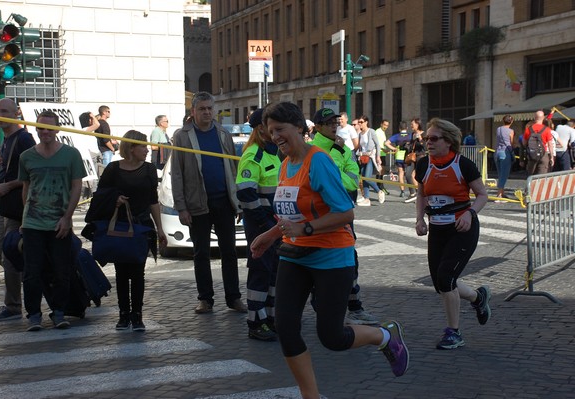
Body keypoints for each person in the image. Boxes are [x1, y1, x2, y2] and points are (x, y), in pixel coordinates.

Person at [251, 102, 409, 398]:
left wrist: (306, 230)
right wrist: (271, 235)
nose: (275, 137)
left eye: (280, 130)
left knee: (332, 337)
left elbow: (345, 213)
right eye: (270, 132)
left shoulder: (318, 161)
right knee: (286, 328)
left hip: (331, 257)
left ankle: (385, 336)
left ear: (300, 128)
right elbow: (293, 216)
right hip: (295, 255)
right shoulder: (286, 164)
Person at [414, 118, 491, 350]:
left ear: (448, 141)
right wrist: (419, 219)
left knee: (446, 277)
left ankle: (453, 332)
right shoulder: (423, 165)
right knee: (441, 283)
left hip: (462, 229)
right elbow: (421, 194)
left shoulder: (463, 164)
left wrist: (470, 214)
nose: (428, 142)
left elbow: (482, 195)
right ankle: (478, 298)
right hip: (437, 228)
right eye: (426, 138)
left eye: (434, 138)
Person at [170, 91, 246, 314]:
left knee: (229, 252)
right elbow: (177, 174)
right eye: (202, 108)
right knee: (201, 253)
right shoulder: (182, 136)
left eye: (209, 108)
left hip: (224, 202)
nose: (206, 112)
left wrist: (237, 201)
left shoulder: (223, 133)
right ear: (193, 111)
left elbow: (233, 170)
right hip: (197, 204)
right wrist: (181, 206)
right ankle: (205, 299)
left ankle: (234, 298)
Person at [19, 110, 87, 331]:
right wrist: (25, 218)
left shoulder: (71, 154)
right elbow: (26, 188)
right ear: (36, 129)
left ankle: (59, 312)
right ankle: (34, 315)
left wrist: (67, 218)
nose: (45, 132)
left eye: (49, 127)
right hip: (33, 223)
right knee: (32, 272)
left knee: (61, 270)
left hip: (60, 222)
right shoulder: (27, 156)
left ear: (57, 129)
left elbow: (77, 186)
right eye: (41, 128)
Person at [311, 109, 379, 325]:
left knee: (350, 260)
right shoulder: (317, 150)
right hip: (326, 214)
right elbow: (341, 180)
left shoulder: (339, 147)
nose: (334, 125)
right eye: (328, 123)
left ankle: (353, 306)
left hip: (341, 213)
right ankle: (326, 304)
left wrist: (339, 162)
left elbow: (352, 178)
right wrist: (340, 167)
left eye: (335, 122)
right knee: (324, 260)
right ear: (318, 127)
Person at [96, 130, 167, 331]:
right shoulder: (113, 169)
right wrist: (114, 200)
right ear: (132, 148)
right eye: (143, 146)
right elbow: (100, 196)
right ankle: (123, 314)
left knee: (138, 271)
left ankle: (137, 315)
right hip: (119, 225)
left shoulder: (149, 169)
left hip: (142, 225)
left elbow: (153, 200)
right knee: (121, 271)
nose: (147, 150)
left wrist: (160, 228)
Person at [0, 98, 36, 322]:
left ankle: (14, 306)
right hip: (5, 206)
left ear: (15, 113)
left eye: (3, 111)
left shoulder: (24, 138)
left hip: (18, 206)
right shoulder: (5, 139)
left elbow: (32, 173)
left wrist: (10, 184)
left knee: (8, 254)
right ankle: (35, 274)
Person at [236, 108, 281, 341]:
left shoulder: (275, 153)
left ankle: (271, 318)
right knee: (260, 272)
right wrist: (264, 221)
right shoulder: (254, 154)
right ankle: (255, 322)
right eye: (269, 123)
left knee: (274, 272)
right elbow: (245, 193)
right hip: (261, 225)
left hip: (276, 225)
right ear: (260, 128)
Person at [356, 115, 384, 206]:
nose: (359, 124)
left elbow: (378, 144)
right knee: (364, 179)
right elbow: (360, 147)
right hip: (363, 158)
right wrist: (359, 155)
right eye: (359, 122)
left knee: (367, 177)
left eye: (361, 122)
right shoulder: (360, 134)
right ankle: (367, 199)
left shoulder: (371, 131)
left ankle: (379, 191)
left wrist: (378, 157)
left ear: (366, 122)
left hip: (370, 157)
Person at [523, 110, 555, 175]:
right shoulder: (547, 129)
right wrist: (551, 157)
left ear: (535, 117)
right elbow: (550, 145)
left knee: (531, 176)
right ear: (543, 118)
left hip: (532, 154)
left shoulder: (528, 129)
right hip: (543, 154)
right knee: (542, 177)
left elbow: (524, 143)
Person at [385, 121, 412, 197]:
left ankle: (402, 191)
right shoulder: (410, 136)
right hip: (408, 157)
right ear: (406, 128)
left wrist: (394, 148)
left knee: (401, 173)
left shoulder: (397, 136)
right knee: (410, 174)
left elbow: (386, 143)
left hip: (399, 156)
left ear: (399, 129)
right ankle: (413, 191)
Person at [404, 118, 426, 203]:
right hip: (413, 157)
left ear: (417, 124)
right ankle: (413, 193)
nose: (411, 126)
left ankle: (420, 194)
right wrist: (408, 145)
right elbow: (412, 146)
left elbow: (425, 147)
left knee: (418, 176)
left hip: (421, 157)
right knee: (408, 174)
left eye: (412, 124)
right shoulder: (413, 134)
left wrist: (420, 138)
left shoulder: (424, 133)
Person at [494, 115, 515, 200]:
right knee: (504, 174)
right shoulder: (511, 131)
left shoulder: (498, 129)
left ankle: (502, 192)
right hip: (505, 153)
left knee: (500, 174)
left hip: (497, 152)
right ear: (511, 121)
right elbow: (511, 143)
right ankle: (499, 194)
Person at [374, 119, 390, 194]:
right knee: (380, 170)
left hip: (383, 153)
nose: (385, 127)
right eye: (384, 125)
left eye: (387, 125)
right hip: (379, 153)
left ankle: (379, 184)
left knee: (382, 170)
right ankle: (379, 185)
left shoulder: (383, 132)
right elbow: (377, 144)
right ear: (381, 124)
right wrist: (384, 150)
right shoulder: (378, 132)